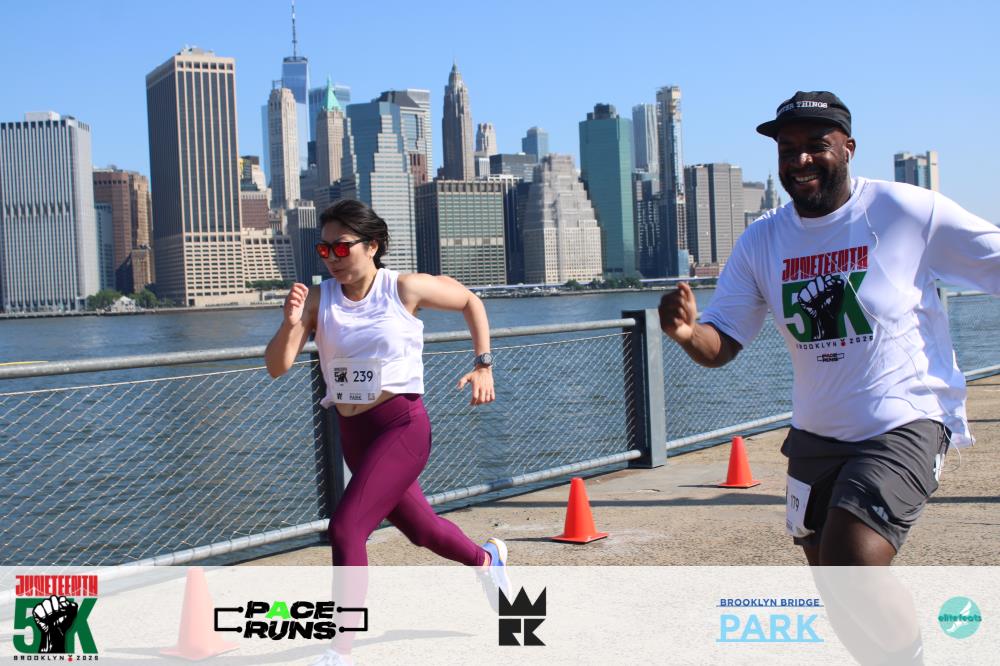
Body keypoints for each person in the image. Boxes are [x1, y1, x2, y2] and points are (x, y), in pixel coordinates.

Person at [658, 91, 1000, 567]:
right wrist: (686, 332)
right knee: (835, 585)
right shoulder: (762, 239)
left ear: (848, 148)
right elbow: (722, 343)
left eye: (816, 145)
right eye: (787, 150)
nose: (801, 160)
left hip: (904, 422)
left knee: (850, 560)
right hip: (815, 437)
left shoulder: (906, 210)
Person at [265, 199, 509, 665]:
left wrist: (483, 364)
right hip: (354, 435)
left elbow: (470, 302)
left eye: (342, 247)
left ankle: (340, 650)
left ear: (372, 245)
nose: (333, 257)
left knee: (346, 529)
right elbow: (277, 366)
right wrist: (289, 323)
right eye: (324, 249)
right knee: (422, 530)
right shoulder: (317, 299)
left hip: (401, 426)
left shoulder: (402, 287)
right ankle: (487, 560)